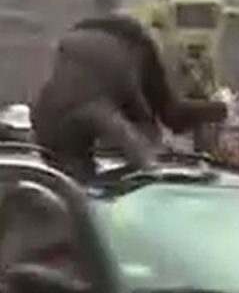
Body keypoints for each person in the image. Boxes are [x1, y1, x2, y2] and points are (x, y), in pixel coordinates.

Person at [32, 15, 227, 182]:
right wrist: (221, 109)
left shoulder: (77, 53)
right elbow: (170, 115)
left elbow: (169, 115)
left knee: (74, 173)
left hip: (53, 113)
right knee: (140, 151)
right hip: (95, 99)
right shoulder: (137, 53)